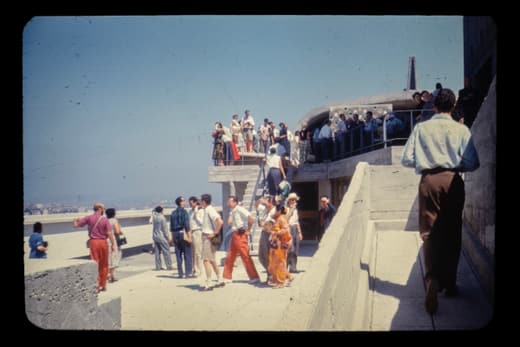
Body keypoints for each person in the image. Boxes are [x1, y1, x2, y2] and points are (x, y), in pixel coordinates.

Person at [401, 88, 480, 315]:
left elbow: (406, 158)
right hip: (453, 180)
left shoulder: (421, 128)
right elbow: (473, 162)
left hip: (429, 181)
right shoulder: (461, 129)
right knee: (452, 231)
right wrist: (454, 165)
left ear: (434, 106)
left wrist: (425, 163)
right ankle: (451, 283)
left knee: (429, 233)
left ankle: (432, 279)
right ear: (454, 106)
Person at [73, 202, 116, 293]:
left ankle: (96, 284)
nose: (104, 210)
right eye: (103, 208)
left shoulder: (89, 218)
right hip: (103, 242)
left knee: (95, 263)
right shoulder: (105, 220)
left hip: (93, 243)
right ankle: (103, 285)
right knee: (104, 264)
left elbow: (76, 226)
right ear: (100, 208)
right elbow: (109, 233)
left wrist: (74, 220)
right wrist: (112, 244)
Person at [222, 196, 261, 284]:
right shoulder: (233, 211)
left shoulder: (240, 209)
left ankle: (254, 277)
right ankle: (227, 276)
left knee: (245, 256)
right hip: (235, 234)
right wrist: (230, 213)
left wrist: (249, 230)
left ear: (235, 202)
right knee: (230, 255)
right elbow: (229, 222)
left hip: (240, 234)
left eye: (230, 202)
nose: (228, 203)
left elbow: (251, 218)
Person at [199, 193, 224, 291]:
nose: (200, 202)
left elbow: (220, 221)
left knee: (206, 260)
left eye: (201, 201)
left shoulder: (209, 210)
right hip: (208, 236)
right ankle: (220, 278)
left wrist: (214, 233)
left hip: (208, 237)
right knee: (212, 259)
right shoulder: (208, 210)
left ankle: (208, 283)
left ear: (204, 202)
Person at [268, 205, 293, 288]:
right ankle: (288, 277)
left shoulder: (281, 219)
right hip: (276, 243)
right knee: (274, 262)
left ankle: (281, 282)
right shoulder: (278, 218)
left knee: (280, 262)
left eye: (276, 210)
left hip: (281, 243)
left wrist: (276, 233)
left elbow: (286, 230)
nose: (275, 212)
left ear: (279, 211)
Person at [254, 195, 276, 283]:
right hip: (264, 233)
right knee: (261, 256)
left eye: (266, 200)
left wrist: (265, 224)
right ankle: (270, 274)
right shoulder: (264, 209)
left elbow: (276, 222)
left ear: (271, 201)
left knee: (269, 256)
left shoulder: (275, 210)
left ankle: (272, 276)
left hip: (271, 234)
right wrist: (259, 200)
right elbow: (256, 205)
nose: (264, 201)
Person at [170, 196, 193, 278]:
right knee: (187, 253)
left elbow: (171, 227)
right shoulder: (184, 212)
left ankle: (180, 273)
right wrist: (190, 237)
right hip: (183, 233)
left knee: (178, 254)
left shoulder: (173, 213)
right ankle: (188, 273)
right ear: (180, 202)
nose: (185, 202)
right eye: (183, 201)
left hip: (175, 234)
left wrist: (172, 238)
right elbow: (187, 225)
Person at [105, 208, 124, 283]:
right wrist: (120, 231)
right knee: (115, 257)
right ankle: (110, 275)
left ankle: (111, 276)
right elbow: (117, 231)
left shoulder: (105, 221)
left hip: (106, 241)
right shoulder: (114, 221)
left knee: (109, 258)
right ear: (114, 213)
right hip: (114, 241)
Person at [152, 206, 173, 271]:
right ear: (161, 211)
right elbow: (165, 230)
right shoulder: (162, 218)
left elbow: (153, 211)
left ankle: (158, 267)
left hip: (155, 236)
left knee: (157, 252)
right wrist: (168, 238)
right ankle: (169, 266)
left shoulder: (154, 218)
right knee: (166, 251)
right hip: (162, 237)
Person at [286, 193, 303, 273]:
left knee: (295, 249)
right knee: (290, 249)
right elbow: (285, 219)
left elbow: (297, 221)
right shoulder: (284, 208)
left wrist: (299, 232)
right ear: (288, 201)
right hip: (288, 228)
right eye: (292, 200)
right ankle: (285, 266)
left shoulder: (296, 210)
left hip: (295, 228)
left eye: (295, 200)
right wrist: (291, 210)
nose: (294, 201)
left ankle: (293, 267)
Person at [188, 196, 204, 277]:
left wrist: (196, 215)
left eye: (191, 203)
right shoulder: (190, 212)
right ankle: (194, 269)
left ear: (195, 202)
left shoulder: (200, 211)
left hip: (198, 231)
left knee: (198, 252)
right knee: (193, 252)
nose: (190, 205)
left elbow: (202, 222)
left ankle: (199, 270)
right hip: (191, 232)